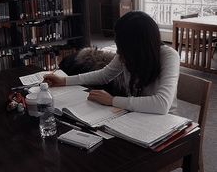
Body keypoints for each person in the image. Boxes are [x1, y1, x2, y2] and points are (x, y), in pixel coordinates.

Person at [44, 11, 180, 115]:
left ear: (138, 46)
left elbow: (161, 105)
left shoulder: (169, 56)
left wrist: (112, 100)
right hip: (135, 114)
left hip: (164, 121)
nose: (119, 52)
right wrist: (64, 81)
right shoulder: (127, 53)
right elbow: (104, 75)